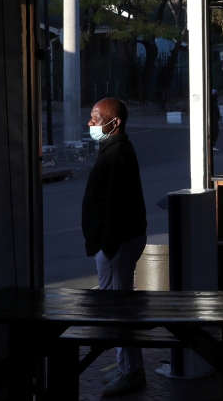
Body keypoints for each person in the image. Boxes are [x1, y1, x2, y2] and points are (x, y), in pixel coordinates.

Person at [81, 98, 148, 396]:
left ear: (115, 122)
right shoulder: (114, 149)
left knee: (117, 311)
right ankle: (125, 365)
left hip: (116, 246)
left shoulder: (117, 153)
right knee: (119, 306)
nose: (91, 123)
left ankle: (131, 371)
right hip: (116, 244)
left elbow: (113, 206)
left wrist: (104, 248)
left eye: (96, 117)